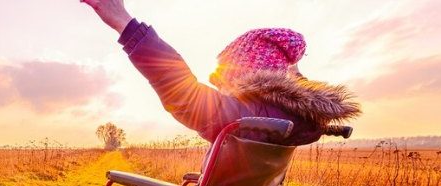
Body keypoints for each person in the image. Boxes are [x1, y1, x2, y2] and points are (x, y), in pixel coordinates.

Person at [81, 0, 361, 146]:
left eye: (228, 82)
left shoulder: (251, 118)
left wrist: (124, 23)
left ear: (251, 75)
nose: (224, 90)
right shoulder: (301, 122)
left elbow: (183, 94)